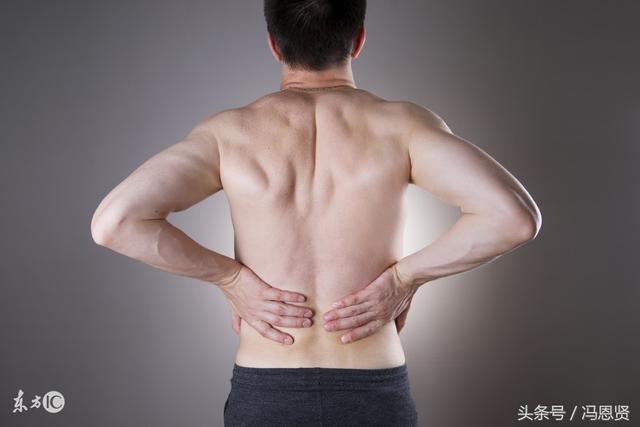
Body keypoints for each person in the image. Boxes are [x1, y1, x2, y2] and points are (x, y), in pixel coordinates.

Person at [90, 0, 542, 425]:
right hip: (373, 388)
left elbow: (115, 223)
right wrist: (406, 279)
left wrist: (229, 278)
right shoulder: (403, 127)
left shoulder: (229, 134)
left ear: (273, 44)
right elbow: (514, 217)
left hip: (267, 389)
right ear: (358, 39)